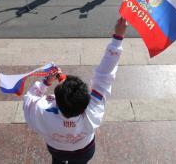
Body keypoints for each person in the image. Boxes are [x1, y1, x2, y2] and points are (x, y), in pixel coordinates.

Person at [23, 18, 127, 164]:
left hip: (56, 149)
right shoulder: (93, 111)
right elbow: (105, 75)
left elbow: (29, 99)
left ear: (56, 101)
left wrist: (45, 82)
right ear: (86, 100)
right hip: (84, 150)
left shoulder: (42, 112)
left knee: (57, 161)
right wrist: (118, 38)